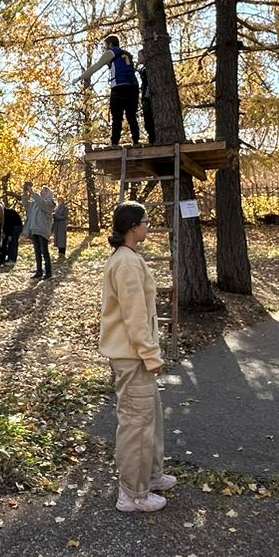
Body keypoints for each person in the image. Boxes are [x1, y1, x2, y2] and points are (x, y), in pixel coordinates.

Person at [100, 201, 176, 512]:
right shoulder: (127, 263)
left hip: (135, 355)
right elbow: (135, 317)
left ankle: (151, 476)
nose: (149, 226)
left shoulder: (129, 258)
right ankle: (132, 494)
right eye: (145, 221)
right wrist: (151, 355)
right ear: (133, 227)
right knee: (137, 424)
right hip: (133, 357)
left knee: (150, 418)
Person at [83, 34, 142, 146]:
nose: (105, 48)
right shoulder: (127, 54)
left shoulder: (111, 53)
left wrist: (82, 76)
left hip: (118, 86)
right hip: (132, 86)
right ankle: (136, 140)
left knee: (117, 117)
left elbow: (96, 66)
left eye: (106, 45)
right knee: (131, 116)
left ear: (110, 44)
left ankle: (114, 143)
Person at [24, 182, 57, 280]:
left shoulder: (50, 203)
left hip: (43, 230)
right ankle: (39, 271)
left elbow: (42, 204)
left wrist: (32, 192)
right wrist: (25, 193)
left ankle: (48, 272)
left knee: (44, 251)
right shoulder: (35, 203)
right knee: (37, 252)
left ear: (48, 193)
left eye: (43, 191)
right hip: (34, 229)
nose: (41, 192)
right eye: (41, 191)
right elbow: (26, 205)